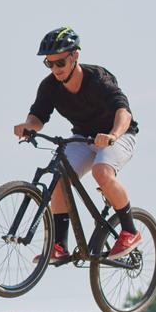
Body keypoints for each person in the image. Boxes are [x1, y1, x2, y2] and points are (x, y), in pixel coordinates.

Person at [13, 27, 141, 263]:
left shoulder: (98, 79)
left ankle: (130, 231)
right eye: (49, 64)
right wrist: (27, 126)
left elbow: (123, 113)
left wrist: (112, 135)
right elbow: (38, 117)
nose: (55, 70)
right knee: (59, 177)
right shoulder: (49, 86)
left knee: (101, 171)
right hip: (84, 138)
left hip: (119, 135)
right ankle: (59, 246)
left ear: (74, 56)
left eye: (60, 62)